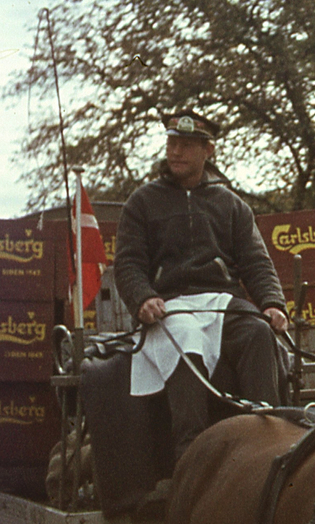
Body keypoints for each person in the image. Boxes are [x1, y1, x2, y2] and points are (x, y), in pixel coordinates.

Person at [114, 109, 289, 463]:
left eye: (186, 145)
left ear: (208, 151)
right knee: (186, 340)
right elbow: (128, 263)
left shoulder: (231, 204)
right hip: (171, 305)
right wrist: (143, 297)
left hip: (222, 303)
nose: (176, 152)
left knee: (258, 332)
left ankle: (268, 443)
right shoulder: (142, 203)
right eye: (172, 143)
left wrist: (272, 303)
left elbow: (256, 261)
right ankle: (189, 454)